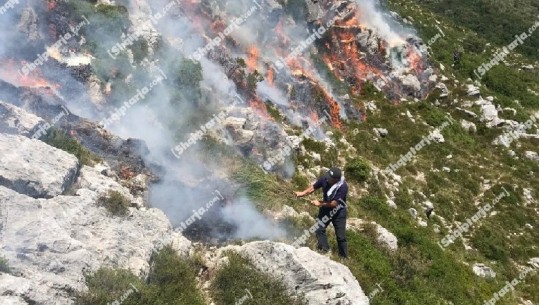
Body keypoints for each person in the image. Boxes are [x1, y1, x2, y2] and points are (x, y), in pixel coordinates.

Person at [295, 167, 348, 258]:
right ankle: (324, 249)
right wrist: (302, 193)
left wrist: (319, 203)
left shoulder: (343, 187)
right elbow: (313, 187)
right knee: (319, 229)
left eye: (330, 178)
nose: (327, 178)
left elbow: (334, 203)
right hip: (325, 209)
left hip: (338, 212)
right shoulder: (325, 179)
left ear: (336, 180)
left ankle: (344, 257)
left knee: (340, 236)